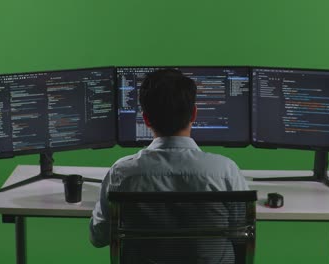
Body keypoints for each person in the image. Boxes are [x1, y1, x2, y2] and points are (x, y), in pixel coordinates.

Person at [89, 69, 248, 262]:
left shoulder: (122, 174)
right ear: (194, 114)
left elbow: (99, 237)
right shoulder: (225, 172)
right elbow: (241, 233)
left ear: (145, 119)